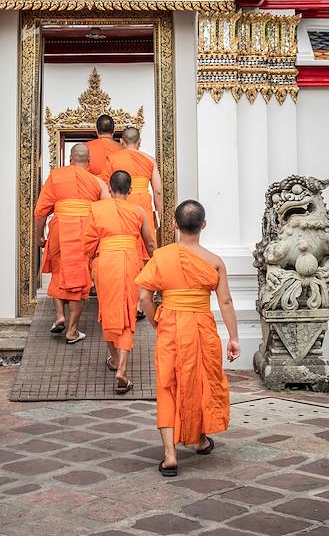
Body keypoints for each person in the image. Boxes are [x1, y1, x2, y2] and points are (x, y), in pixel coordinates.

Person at [136, 199, 240, 477]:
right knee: (201, 381)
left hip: (170, 322)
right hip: (201, 326)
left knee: (168, 384)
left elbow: (144, 297)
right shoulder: (215, 262)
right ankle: (199, 440)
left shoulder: (161, 257)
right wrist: (234, 337)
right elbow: (226, 302)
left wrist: (157, 318)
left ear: (174, 224)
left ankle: (170, 455)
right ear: (203, 225)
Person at [84, 170, 156, 394]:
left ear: (109, 186)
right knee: (126, 314)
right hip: (129, 262)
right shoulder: (139, 211)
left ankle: (114, 358)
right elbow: (151, 245)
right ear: (131, 189)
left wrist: (91, 267)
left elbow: (87, 245)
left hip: (105, 262)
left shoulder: (96, 209)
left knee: (107, 310)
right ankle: (121, 369)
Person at [34, 143, 109, 343]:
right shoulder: (97, 182)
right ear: (89, 162)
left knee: (59, 271)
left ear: (70, 159)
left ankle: (59, 316)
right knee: (78, 277)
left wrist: (39, 235)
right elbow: (106, 212)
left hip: (59, 229)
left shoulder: (56, 177)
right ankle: (72, 330)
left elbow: (41, 211)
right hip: (84, 231)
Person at [101, 126, 162, 263]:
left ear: (122, 141)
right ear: (139, 141)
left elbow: (104, 188)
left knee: (127, 241)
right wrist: (158, 214)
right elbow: (158, 191)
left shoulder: (112, 159)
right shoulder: (150, 160)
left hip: (122, 204)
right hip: (144, 204)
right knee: (146, 242)